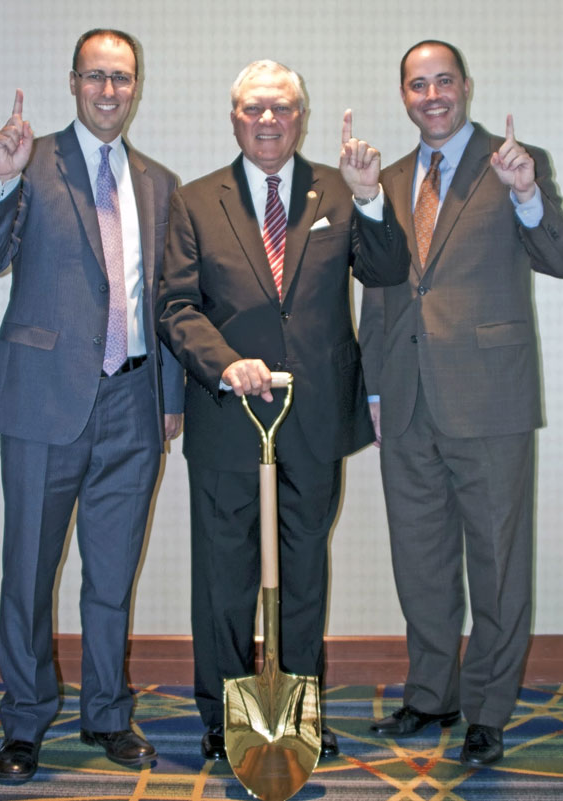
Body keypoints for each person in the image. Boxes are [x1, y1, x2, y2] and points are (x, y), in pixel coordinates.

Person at [155, 59, 408, 761]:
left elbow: (385, 270)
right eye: (254, 108)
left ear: (301, 116)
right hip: (226, 413)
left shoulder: (340, 188)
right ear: (234, 116)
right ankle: (224, 711)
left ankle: (299, 711)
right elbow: (174, 304)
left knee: (303, 570)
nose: (268, 120)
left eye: (283, 108)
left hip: (315, 412)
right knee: (224, 573)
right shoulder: (195, 199)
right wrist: (221, 361)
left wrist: (372, 200)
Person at [0, 29, 184, 783]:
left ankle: (107, 713)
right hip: (42, 404)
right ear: (73, 81)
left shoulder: (157, 182)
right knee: (28, 570)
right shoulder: (33, 161)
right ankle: (22, 723)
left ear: (136, 84)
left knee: (111, 573)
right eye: (97, 76)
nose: (110, 90)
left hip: (133, 403)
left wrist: (170, 397)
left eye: (123, 77)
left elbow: (170, 302)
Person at [359, 40, 563, 767]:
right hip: (405, 398)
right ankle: (431, 693)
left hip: (489, 398)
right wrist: (371, 386)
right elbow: (380, 292)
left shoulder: (515, 162)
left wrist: (526, 196)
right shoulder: (388, 179)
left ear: (464, 87)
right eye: (417, 85)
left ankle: (486, 709)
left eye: (442, 81)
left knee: (495, 562)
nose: (431, 95)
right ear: (403, 96)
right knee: (419, 560)